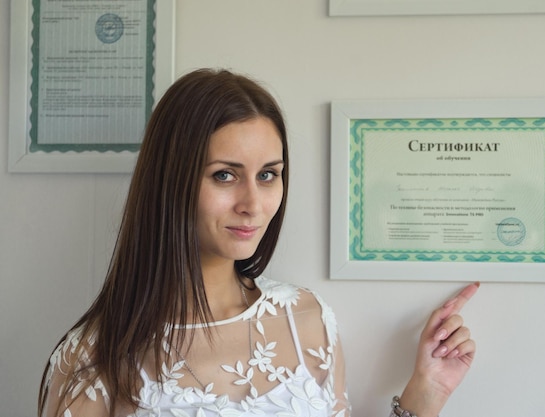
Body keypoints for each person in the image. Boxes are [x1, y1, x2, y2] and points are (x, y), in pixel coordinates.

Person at [38, 68, 479, 417]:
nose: (253, 203)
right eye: (225, 175)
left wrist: (426, 393)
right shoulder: (92, 358)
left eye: (268, 174)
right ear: (170, 182)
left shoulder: (307, 320)